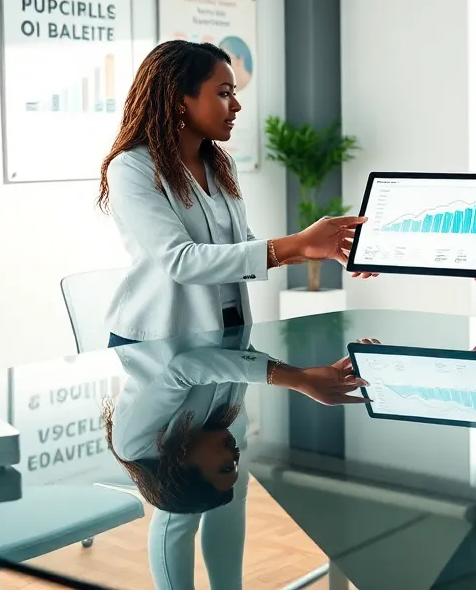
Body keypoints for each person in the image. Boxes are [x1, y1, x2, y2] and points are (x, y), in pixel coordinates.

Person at [98, 40, 366, 347]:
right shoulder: (132, 168)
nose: (236, 105)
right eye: (224, 93)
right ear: (179, 100)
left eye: (234, 93)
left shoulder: (221, 163)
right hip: (156, 344)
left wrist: (313, 249)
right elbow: (182, 261)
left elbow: (241, 247)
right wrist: (299, 243)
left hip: (229, 332)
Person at [104, 333, 373, 589]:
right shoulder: (220, 434)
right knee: (220, 500)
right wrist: (314, 377)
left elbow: (184, 369)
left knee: (193, 509)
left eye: (226, 465)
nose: (235, 454)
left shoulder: (136, 445)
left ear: (181, 467)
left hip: (183, 332)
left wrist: (300, 379)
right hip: (214, 412)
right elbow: (238, 358)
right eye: (232, 464)